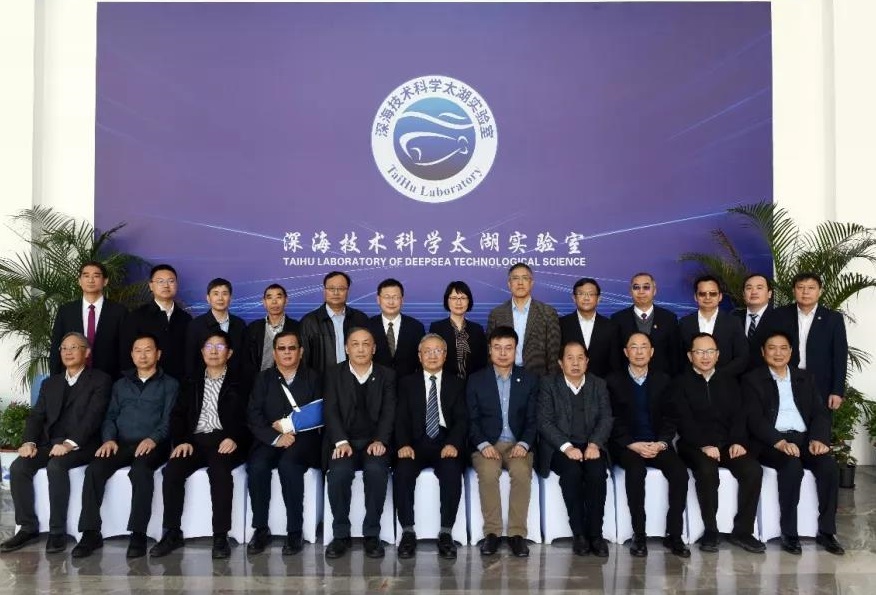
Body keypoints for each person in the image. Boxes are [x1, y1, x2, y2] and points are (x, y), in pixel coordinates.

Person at [0, 333, 111, 554]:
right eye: (64, 348)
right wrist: (29, 442)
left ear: (87, 352)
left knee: (56, 466)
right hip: (50, 443)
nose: (68, 352)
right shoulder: (51, 383)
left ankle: (57, 531)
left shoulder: (100, 380)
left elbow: (93, 417)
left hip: (83, 444)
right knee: (19, 466)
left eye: (74, 347)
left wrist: (69, 444)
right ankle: (27, 527)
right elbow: (36, 416)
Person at [71, 333, 178, 559]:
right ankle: (90, 533)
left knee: (140, 471)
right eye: (138, 350)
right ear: (131, 355)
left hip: (153, 445)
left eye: (148, 350)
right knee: (94, 469)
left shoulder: (170, 384)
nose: (143, 355)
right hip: (120, 443)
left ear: (158, 354)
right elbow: (110, 416)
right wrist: (109, 439)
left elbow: (169, 419)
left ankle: (138, 534)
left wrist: (153, 438)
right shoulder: (120, 384)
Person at [150, 331, 249, 559]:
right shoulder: (190, 381)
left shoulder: (241, 382)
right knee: (172, 470)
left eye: (220, 347)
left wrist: (234, 437)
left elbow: (250, 416)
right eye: (209, 347)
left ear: (229, 353)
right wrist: (182, 441)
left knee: (220, 471)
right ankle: (172, 532)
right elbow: (177, 416)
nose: (214, 351)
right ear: (202, 352)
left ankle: (220, 536)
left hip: (225, 441)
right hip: (194, 441)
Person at [744, 331, 844, 555]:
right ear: (763, 352)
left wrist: (818, 438)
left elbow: (819, 413)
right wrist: (778, 442)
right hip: (771, 442)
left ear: (791, 352)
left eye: (783, 348)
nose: (778, 353)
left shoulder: (804, 377)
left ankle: (827, 531)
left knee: (828, 466)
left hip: (804, 439)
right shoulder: (753, 380)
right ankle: (789, 533)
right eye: (772, 348)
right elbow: (754, 419)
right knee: (791, 466)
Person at [673, 333, 764, 553]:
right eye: (699, 352)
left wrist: (738, 441)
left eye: (710, 351)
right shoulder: (679, 383)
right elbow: (683, 421)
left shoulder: (730, 381)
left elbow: (740, 416)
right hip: (694, 445)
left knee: (753, 470)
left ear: (717, 355)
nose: (705, 357)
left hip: (727, 444)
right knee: (707, 470)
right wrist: (704, 444)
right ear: (690, 356)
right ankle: (711, 530)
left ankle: (743, 531)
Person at [606, 332, 689, 558]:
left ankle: (674, 534)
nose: (639, 351)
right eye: (634, 347)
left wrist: (661, 443)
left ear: (652, 352)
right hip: (628, 446)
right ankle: (639, 535)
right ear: (626, 352)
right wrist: (631, 443)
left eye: (644, 347)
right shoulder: (613, 381)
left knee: (680, 473)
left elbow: (671, 417)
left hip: (657, 443)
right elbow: (612, 419)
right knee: (635, 471)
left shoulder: (663, 380)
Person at [246, 330, 322, 556]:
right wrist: (276, 437)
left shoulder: (314, 377)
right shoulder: (263, 378)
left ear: (301, 352)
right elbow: (254, 414)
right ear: (274, 353)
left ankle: (294, 531)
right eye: (281, 348)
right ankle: (261, 529)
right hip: (269, 438)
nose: (287, 352)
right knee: (257, 466)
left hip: (304, 440)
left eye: (292, 348)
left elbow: (320, 411)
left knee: (289, 466)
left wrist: (289, 427)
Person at [466, 326, 539, 557]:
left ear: (516, 350)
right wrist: (483, 445)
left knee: (521, 472)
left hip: (518, 444)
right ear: (490, 350)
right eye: (497, 347)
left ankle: (517, 535)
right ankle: (493, 534)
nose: (503, 353)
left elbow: (533, 419)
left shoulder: (529, 379)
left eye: (509, 348)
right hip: (488, 444)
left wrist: (524, 444)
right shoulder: (476, 380)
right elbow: (471, 419)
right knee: (488, 473)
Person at [323, 328, 396, 559]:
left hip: (374, 442)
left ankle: (372, 534)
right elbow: (331, 410)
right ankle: (340, 534)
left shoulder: (387, 375)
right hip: (344, 441)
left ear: (374, 348)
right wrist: (340, 441)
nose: (361, 349)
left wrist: (380, 439)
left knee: (376, 470)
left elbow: (389, 411)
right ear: (347, 348)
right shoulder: (334, 373)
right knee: (338, 473)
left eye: (366, 344)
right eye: (355, 344)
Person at [394, 334, 468, 560]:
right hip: (415, 444)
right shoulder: (407, 383)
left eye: (437, 351)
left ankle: (446, 532)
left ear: (445, 355)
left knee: (452, 471)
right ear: (419, 356)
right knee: (402, 471)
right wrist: (404, 444)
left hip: (444, 442)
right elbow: (400, 418)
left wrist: (453, 443)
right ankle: (407, 532)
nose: (432, 356)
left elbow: (462, 419)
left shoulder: (457, 383)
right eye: (427, 351)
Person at [536, 340, 612, 557]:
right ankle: (579, 534)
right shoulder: (549, 384)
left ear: (587, 361)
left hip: (591, 445)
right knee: (572, 473)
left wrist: (594, 444)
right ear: (561, 363)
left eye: (580, 358)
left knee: (597, 474)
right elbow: (544, 421)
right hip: (559, 447)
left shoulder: (598, 384)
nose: (575, 363)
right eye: (570, 358)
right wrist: (567, 447)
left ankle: (595, 534)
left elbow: (606, 418)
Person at [775, 272, 848, 410]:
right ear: (793, 291)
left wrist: (837, 391)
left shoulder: (833, 319)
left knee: (819, 422)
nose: (805, 292)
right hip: (786, 381)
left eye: (811, 288)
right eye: (800, 287)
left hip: (821, 385)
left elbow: (840, 356)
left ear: (820, 291)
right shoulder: (780, 315)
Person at [49, 261, 127, 379]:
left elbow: (124, 350)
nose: (91, 280)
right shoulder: (66, 311)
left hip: (109, 379)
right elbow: (56, 347)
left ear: (105, 281)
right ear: (79, 281)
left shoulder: (119, 311)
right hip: (71, 380)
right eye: (86, 276)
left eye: (96, 276)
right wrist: (55, 380)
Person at [486, 263, 561, 377]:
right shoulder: (497, 314)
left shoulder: (548, 312)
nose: (520, 283)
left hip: (538, 378)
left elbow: (553, 353)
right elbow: (490, 352)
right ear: (509, 284)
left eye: (525, 278)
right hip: (505, 376)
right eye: (515, 278)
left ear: (531, 283)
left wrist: (551, 382)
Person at [121, 264, 192, 383]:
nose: (166, 285)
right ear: (151, 285)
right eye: (160, 281)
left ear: (176, 285)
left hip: (179, 383)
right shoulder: (136, 316)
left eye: (171, 281)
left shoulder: (186, 319)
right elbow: (126, 353)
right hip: (145, 383)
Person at [299, 271, 369, 378]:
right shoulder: (309, 321)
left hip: (356, 380)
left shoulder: (360, 319)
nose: (336, 293)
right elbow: (303, 360)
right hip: (321, 381)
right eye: (331, 289)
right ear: (324, 291)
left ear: (348, 291)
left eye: (341, 289)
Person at [678, 275, 749, 377]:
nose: (708, 297)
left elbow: (742, 357)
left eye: (713, 294)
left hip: (725, 381)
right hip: (692, 381)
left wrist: (717, 375)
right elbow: (678, 357)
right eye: (702, 294)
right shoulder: (685, 323)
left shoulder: (733, 322)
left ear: (720, 297)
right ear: (695, 297)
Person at [611, 272, 680, 376]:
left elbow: (675, 356)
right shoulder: (618, 319)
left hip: (662, 380)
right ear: (630, 291)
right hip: (627, 380)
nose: (641, 291)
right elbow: (615, 356)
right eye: (636, 287)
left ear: (654, 291)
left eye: (646, 287)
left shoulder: (669, 318)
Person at [184, 278, 247, 383]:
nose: (220, 298)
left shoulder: (240, 324)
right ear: (208, 298)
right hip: (204, 384)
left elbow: (244, 359)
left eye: (225, 294)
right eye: (216, 294)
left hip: (234, 384)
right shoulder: (195, 325)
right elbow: (190, 360)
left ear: (230, 298)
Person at [559, 277, 621, 378]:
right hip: (568, 384)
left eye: (591, 294)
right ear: (574, 298)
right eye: (581, 294)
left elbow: (615, 363)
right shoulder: (561, 324)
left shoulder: (611, 326)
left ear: (599, 299)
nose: (586, 298)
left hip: (602, 384)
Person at [429, 280, 488, 380]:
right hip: (446, 383)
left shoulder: (477, 329)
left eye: (463, 298)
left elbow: (483, 362)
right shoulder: (436, 328)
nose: (458, 302)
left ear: (469, 301)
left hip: (472, 383)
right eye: (454, 298)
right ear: (447, 301)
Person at [367, 278, 425, 378]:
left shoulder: (416, 327)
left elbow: (422, 361)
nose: (391, 302)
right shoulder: (367, 326)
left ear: (402, 300)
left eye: (395, 297)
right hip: (375, 384)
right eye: (387, 297)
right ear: (378, 299)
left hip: (408, 384)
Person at [243, 284, 299, 382]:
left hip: (289, 382)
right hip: (259, 383)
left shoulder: (297, 328)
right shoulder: (253, 328)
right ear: (264, 302)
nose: (274, 302)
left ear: (286, 301)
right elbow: (247, 360)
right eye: (269, 298)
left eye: (278, 297)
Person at [733, 273, 779, 372]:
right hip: (736, 377)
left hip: (767, 377)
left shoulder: (780, 318)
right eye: (749, 288)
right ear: (743, 294)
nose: (754, 292)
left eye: (759, 288)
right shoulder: (734, 317)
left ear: (769, 293)